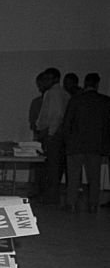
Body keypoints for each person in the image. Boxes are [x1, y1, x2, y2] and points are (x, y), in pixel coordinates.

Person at [62, 73, 110, 212]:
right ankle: (93, 204)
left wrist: (67, 141)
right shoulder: (105, 101)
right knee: (94, 178)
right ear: (97, 84)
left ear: (85, 83)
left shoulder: (75, 100)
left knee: (73, 177)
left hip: (75, 145)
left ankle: (71, 203)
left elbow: (67, 123)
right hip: (95, 145)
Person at [36, 66, 69, 204]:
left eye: (49, 78)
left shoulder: (53, 93)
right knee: (54, 167)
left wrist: (49, 134)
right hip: (57, 134)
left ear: (56, 79)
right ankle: (51, 197)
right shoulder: (64, 93)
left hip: (52, 134)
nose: (46, 81)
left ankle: (50, 198)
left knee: (51, 168)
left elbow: (57, 115)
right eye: (45, 79)